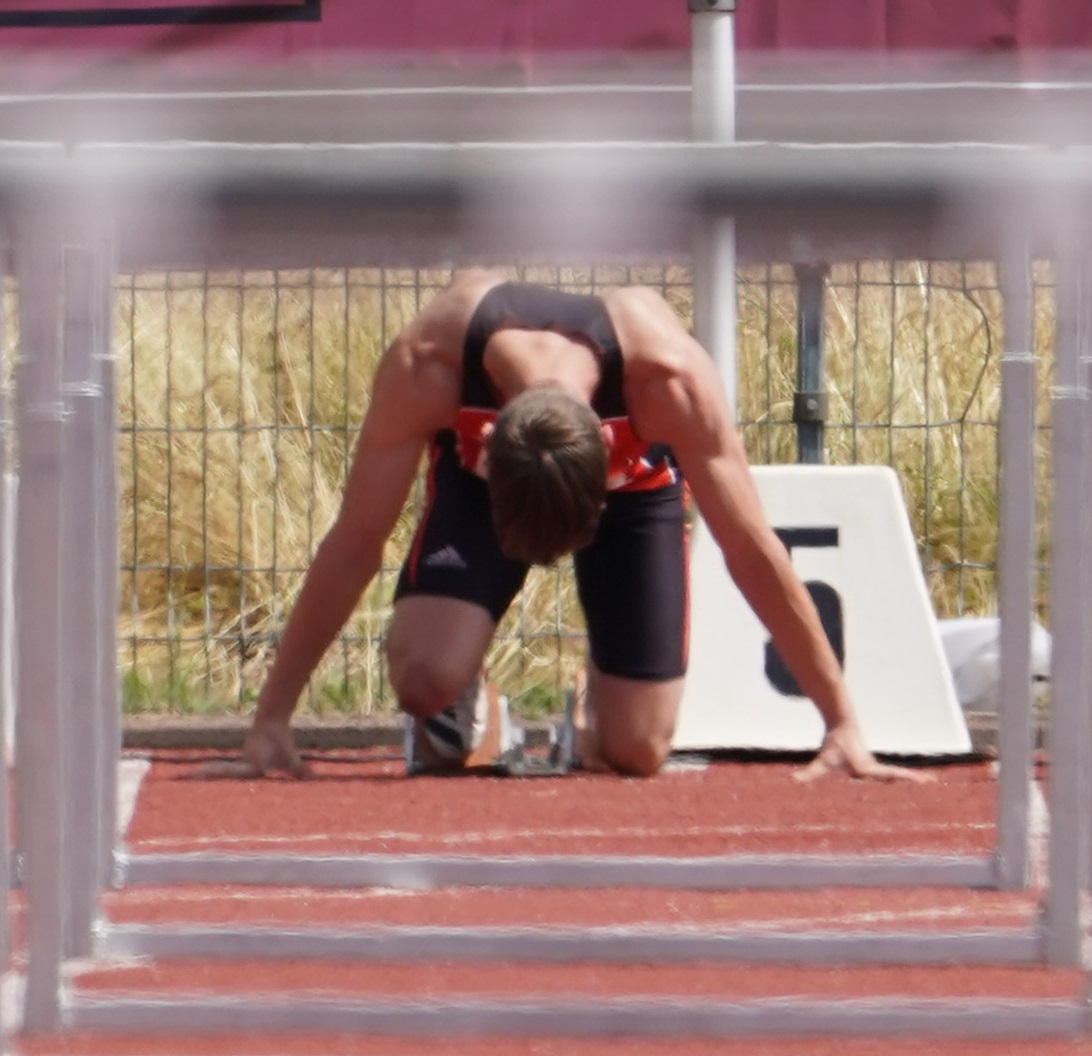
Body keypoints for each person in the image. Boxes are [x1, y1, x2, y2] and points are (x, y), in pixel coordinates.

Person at [214, 268, 928, 783]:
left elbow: (749, 547)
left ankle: (595, 702)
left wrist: (839, 720)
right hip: (488, 491)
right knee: (423, 679)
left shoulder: (667, 380)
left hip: (636, 490)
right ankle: (470, 693)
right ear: (487, 444)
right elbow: (353, 542)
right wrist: (271, 717)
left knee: (637, 751)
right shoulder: (426, 367)